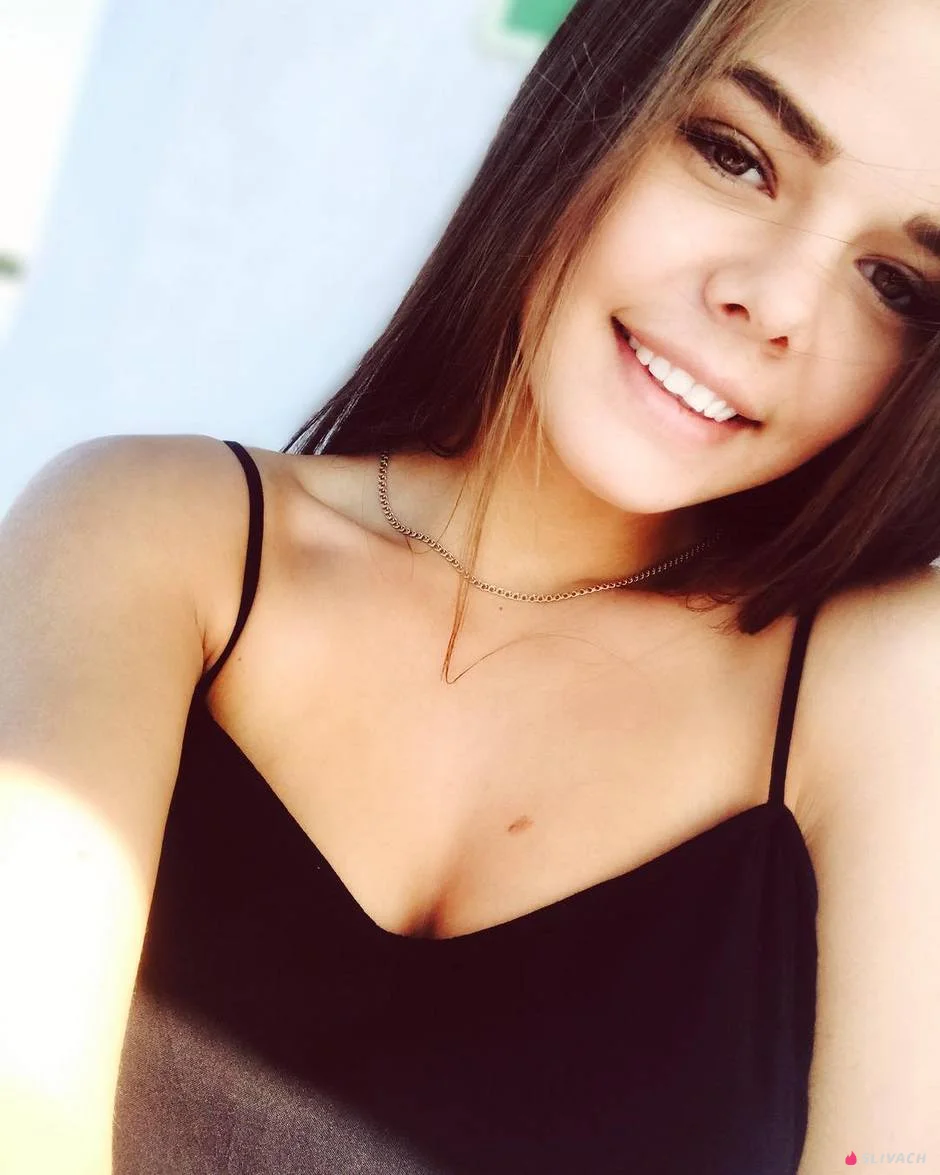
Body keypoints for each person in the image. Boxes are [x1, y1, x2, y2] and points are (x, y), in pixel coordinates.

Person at [2, 0, 940, 1171]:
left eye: (894, 282)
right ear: (601, 95)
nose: (778, 304)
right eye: (734, 154)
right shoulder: (149, 530)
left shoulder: (885, 692)